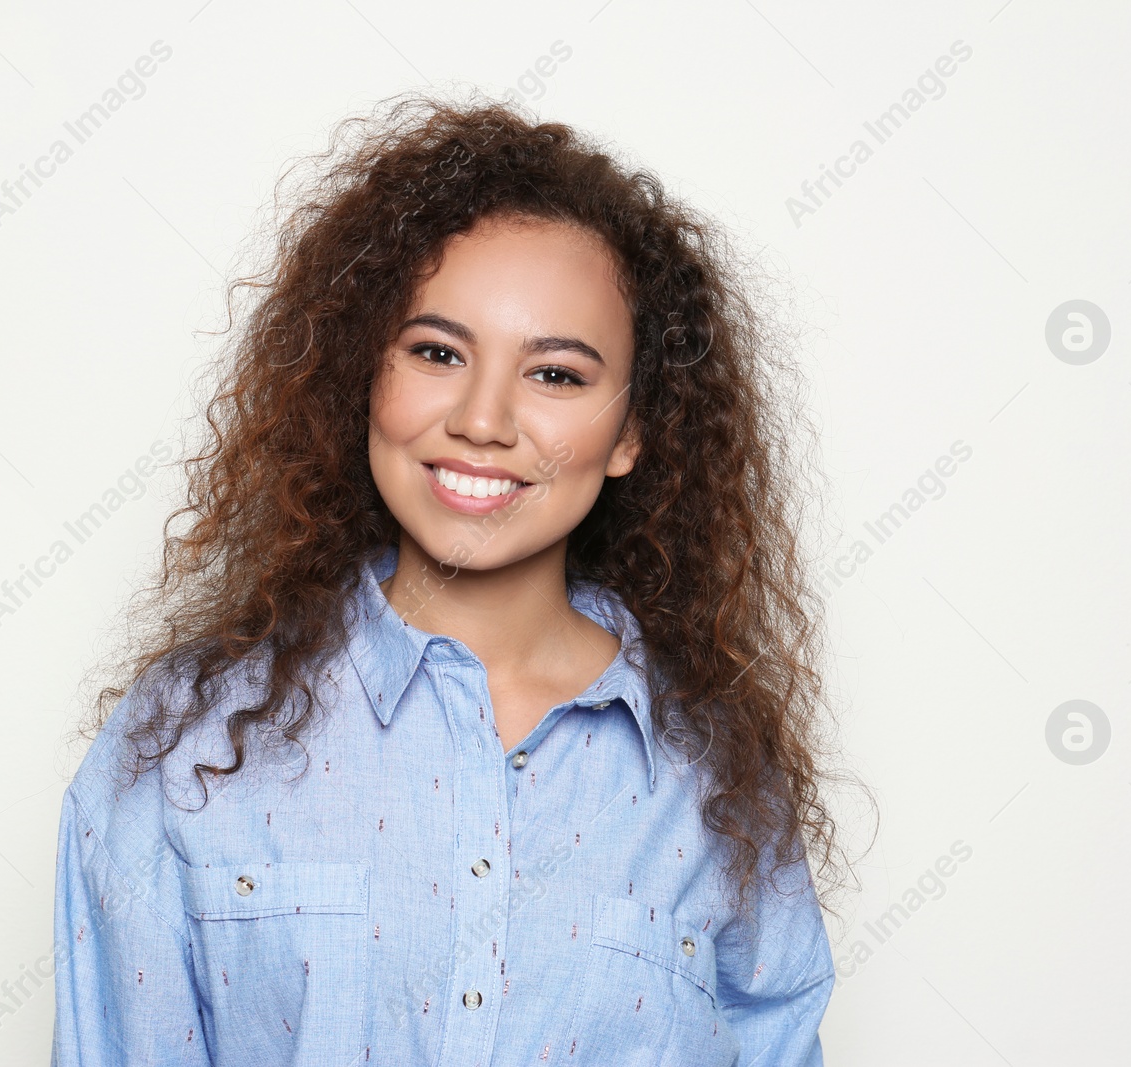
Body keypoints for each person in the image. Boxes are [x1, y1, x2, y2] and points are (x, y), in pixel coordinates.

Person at [51, 91, 854, 1066]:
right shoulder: (187, 737)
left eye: (555, 373)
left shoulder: (718, 786)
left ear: (632, 430)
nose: (482, 419)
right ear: (364, 374)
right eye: (436, 352)